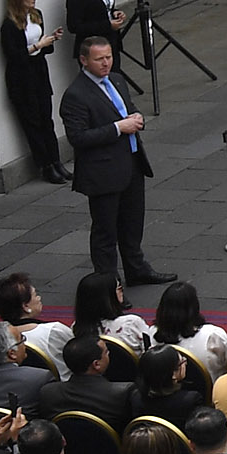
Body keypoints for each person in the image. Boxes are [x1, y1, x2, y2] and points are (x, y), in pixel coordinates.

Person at [58, 37, 166, 288]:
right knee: (106, 232)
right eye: (99, 59)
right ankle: (108, 286)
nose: (106, 63)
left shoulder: (116, 79)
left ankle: (136, 269)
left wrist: (137, 117)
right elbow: (78, 137)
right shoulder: (75, 95)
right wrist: (119, 127)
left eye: (109, 57)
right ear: (84, 60)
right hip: (103, 173)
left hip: (131, 164)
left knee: (132, 223)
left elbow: (127, 108)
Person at [0, 0, 69, 189]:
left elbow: (43, 50)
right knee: (33, 123)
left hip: (39, 72)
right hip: (22, 79)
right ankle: (45, 165)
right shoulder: (9, 25)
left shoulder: (36, 15)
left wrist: (51, 40)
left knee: (47, 120)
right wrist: (38, 45)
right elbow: (13, 55)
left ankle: (57, 161)